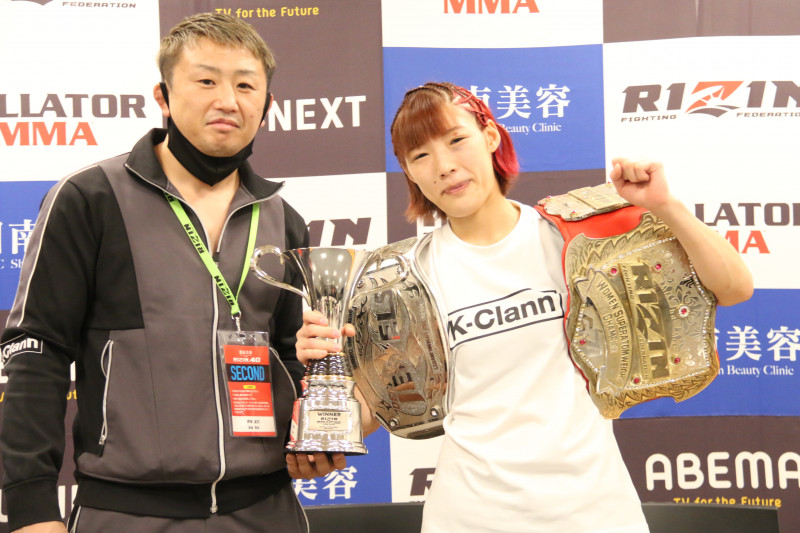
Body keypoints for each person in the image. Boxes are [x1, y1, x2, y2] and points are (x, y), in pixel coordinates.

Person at [296, 82, 754, 532]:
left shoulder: (569, 234)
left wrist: (665, 206)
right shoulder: (399, 278)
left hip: (596, 512)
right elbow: (375, 408)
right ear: (409, 173)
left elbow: (734, 287)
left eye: (456, 140)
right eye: (420, 156)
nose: (444, 166)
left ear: (490, 137)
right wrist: (322, 395)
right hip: (469, 516)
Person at [0, 13, 344, 533]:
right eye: (206, 81)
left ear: (267, 106)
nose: (227, 100)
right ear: (162, 96)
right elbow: (37, 353)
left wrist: (313, 437)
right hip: (125, 512)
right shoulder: (90, 199)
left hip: (266, 509)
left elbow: (293, 357)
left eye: (245, 85)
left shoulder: (282, 219)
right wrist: (31, 511)